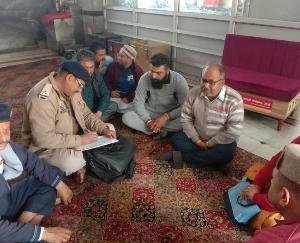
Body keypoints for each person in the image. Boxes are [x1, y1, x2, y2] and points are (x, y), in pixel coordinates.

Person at [22, 61, 117, 183]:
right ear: (70, 78)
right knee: (72, 163)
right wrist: (80, 140)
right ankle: (79, 163)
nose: (80, 89)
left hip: (74, 137)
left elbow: (86, 114)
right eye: (80, 85)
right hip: (47, 148)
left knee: (110, 128)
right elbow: (42, 139)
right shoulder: (42, 98)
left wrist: (103, 128)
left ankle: (83, 159)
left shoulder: (71, 89)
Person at [0, 101, 73, 243]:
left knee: (51, 179)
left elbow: (32, 162)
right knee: (37, 237)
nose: (4, 138)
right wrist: (43, 233)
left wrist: (60, 185)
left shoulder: (4, 146)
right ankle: (23, 233)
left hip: (5, 200)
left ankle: (20, 230)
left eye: (5, 130)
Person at [167, 63, 244, 168]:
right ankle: (205, 160)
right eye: (204, 80)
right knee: (175, 139)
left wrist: (209, 144)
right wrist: (197, 140)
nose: (206, 86)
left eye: (211, 82)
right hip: (198, 136)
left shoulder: (234, 99)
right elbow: (186, 118)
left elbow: (233, 131)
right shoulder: (193, 93)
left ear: (222, 83)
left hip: (219, 142)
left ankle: (185, 157)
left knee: (226, 154)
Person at [122, 53, 189, 137]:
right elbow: (138, 102)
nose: (153, 76)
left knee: (186, 121)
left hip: (169, 116)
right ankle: (159, 131)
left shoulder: (179, 81)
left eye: (158, 73)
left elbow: (185, 106)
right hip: (150, 113)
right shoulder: (144, 78)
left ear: (167, 71)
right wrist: (148, 121)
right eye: (152, 71)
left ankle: (153, 130)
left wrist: (166, 117)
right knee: (127, 117)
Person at [248, 144, 300, 243]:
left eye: (273, 180)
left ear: (284, 196)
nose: (271, 182)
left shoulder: (269, 239)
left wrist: (256, 197)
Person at [241, 136, 300, 212]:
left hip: (287, 209)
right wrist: (257, 185)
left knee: (269, 219)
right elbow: (277, 160)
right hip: (284, 197)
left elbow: (285, 207)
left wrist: (256, 197)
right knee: (254, 171)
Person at [76, 49, 117, 121]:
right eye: (85, 68)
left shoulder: (96, 76)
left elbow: (105, 94)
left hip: (95, 108)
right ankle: (93, 123)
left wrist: (99, 112)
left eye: (91, 67)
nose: (89, 71)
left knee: (113, 105)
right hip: (81, 112)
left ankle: (94, 122)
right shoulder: (73, 80)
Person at [104, 44, 144, 113]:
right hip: (115, 98)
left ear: (130, 58)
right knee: (111, 107)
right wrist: (111, 92)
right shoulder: (113, 66)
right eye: (118, 54)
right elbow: (106, 81)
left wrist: (129, 98)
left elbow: (141, 89)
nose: (118, 58)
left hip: (130, 100)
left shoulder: (138, 71)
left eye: (121, 56)